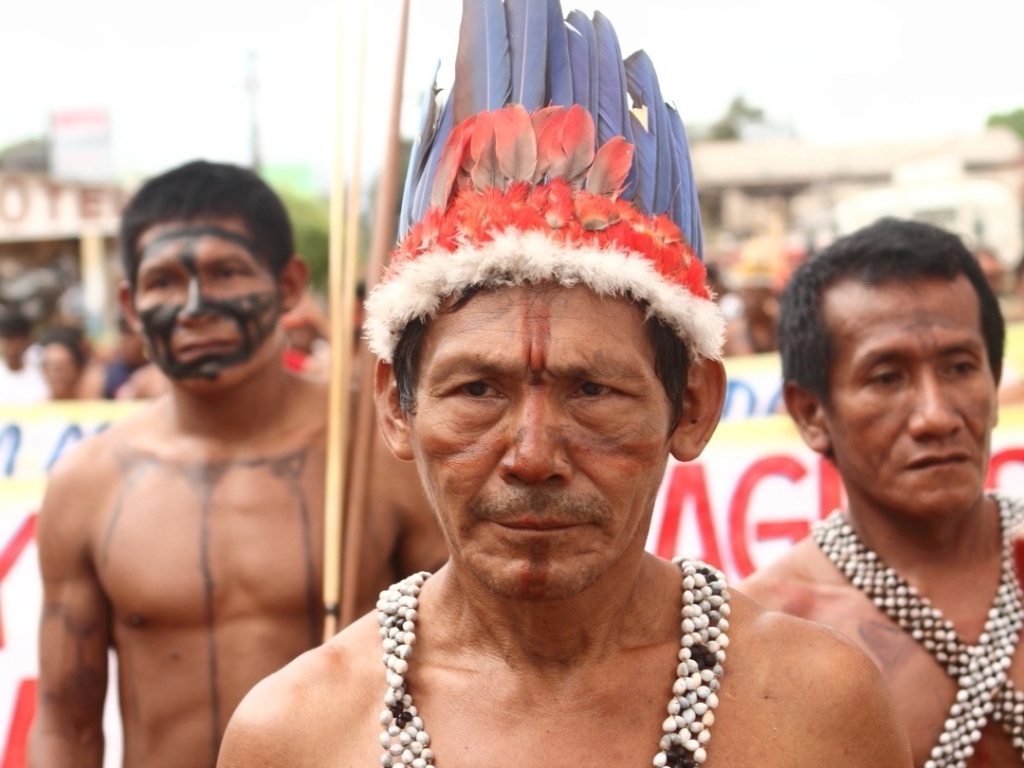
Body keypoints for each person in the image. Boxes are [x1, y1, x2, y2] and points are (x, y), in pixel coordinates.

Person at [216, 5, 911, 767]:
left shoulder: (817, 705)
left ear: (692, 407)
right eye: (478, 390)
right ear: (394, 404)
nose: (533, 456)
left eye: (592, 393)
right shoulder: (296, 733)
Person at [29, 160, 447, 768]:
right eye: (165, 280)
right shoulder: (88, 485)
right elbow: (65, 724)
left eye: (226, 272)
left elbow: (470, 669)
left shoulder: (384, 453)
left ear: (286, 284)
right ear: (129, 302)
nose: (196, 306)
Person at [740, 217, 1023, 767]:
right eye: (887, 377)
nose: (936, 416)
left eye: (961, 367)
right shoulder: (763, 634)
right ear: (811, 413)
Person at [0, 308, 48, 404]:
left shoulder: (42, 373)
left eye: (18, 342)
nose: (13, 348)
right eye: (9, 342)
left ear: (28, 341)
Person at [38, 325, 96, 399]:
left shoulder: (93, 405)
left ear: (77, 367)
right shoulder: (33, 404)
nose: (55, 374)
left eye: (61, 367)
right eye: (49, 366)